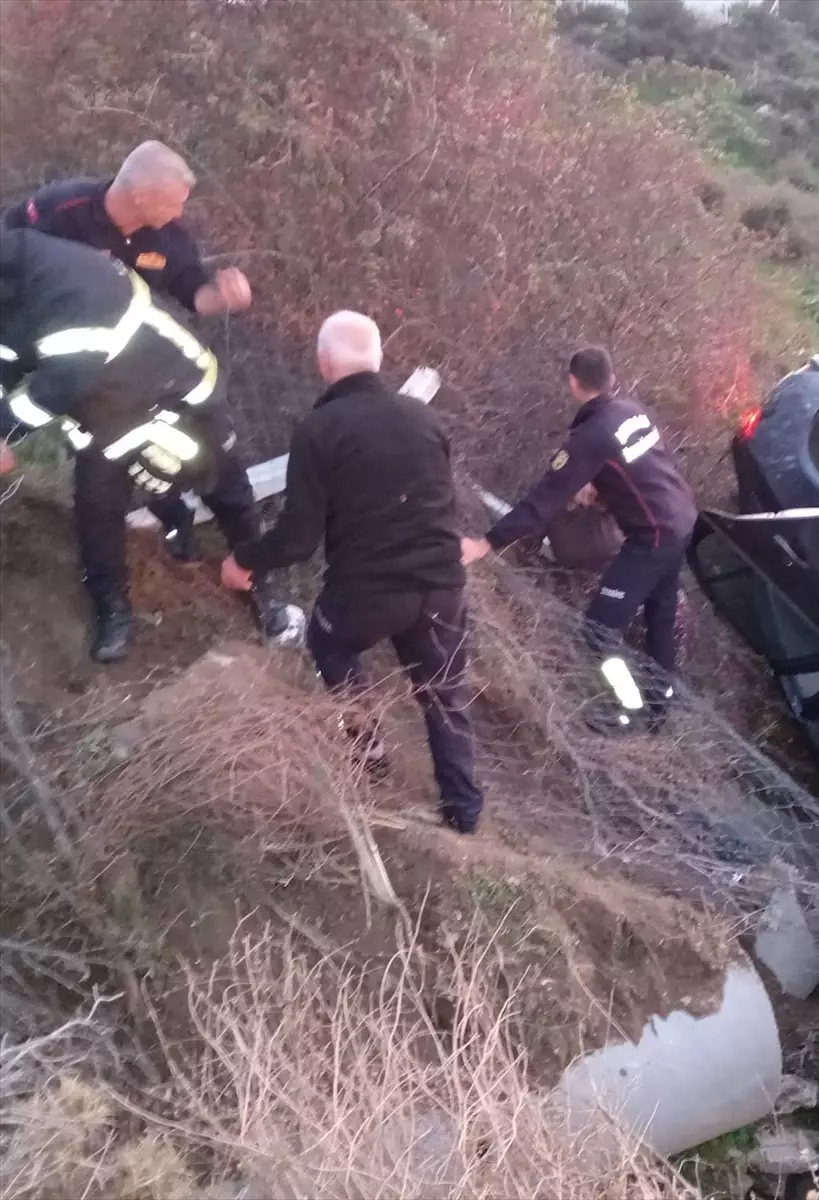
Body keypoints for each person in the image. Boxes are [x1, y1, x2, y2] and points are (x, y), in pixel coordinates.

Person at [2, 140, 293, 638]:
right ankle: (111, 609)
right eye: (173, 202)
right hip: (84, 386)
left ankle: (259, 584)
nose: (180, 213)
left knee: (224, 482)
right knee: (98, 500)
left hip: (154, 368)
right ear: (138, 195)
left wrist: (221, 298)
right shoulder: (61, 211)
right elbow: (15, 269)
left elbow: (194, 294)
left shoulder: (169, 237)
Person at [219, 312, 484, 835]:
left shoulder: (319, 429)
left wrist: (243, 560)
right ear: (379, 360)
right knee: (443, 693)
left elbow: (297, 539)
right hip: (441, 584)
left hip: (368, 591)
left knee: (330, 644)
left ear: (324, 364)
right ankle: (465, 811)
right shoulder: (426, 420)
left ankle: (368, 759)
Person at [461, 346, 697, 734]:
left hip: (654, 536)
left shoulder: (590, 437)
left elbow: (544, 500)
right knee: (661, 612)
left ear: (573, 383)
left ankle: (630, 709)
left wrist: (486, 543)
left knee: (599, 629)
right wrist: (602, 489)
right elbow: (645, 468)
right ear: (612, 380)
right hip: (682, 519)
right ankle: (660, 705)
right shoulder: (631, 410)